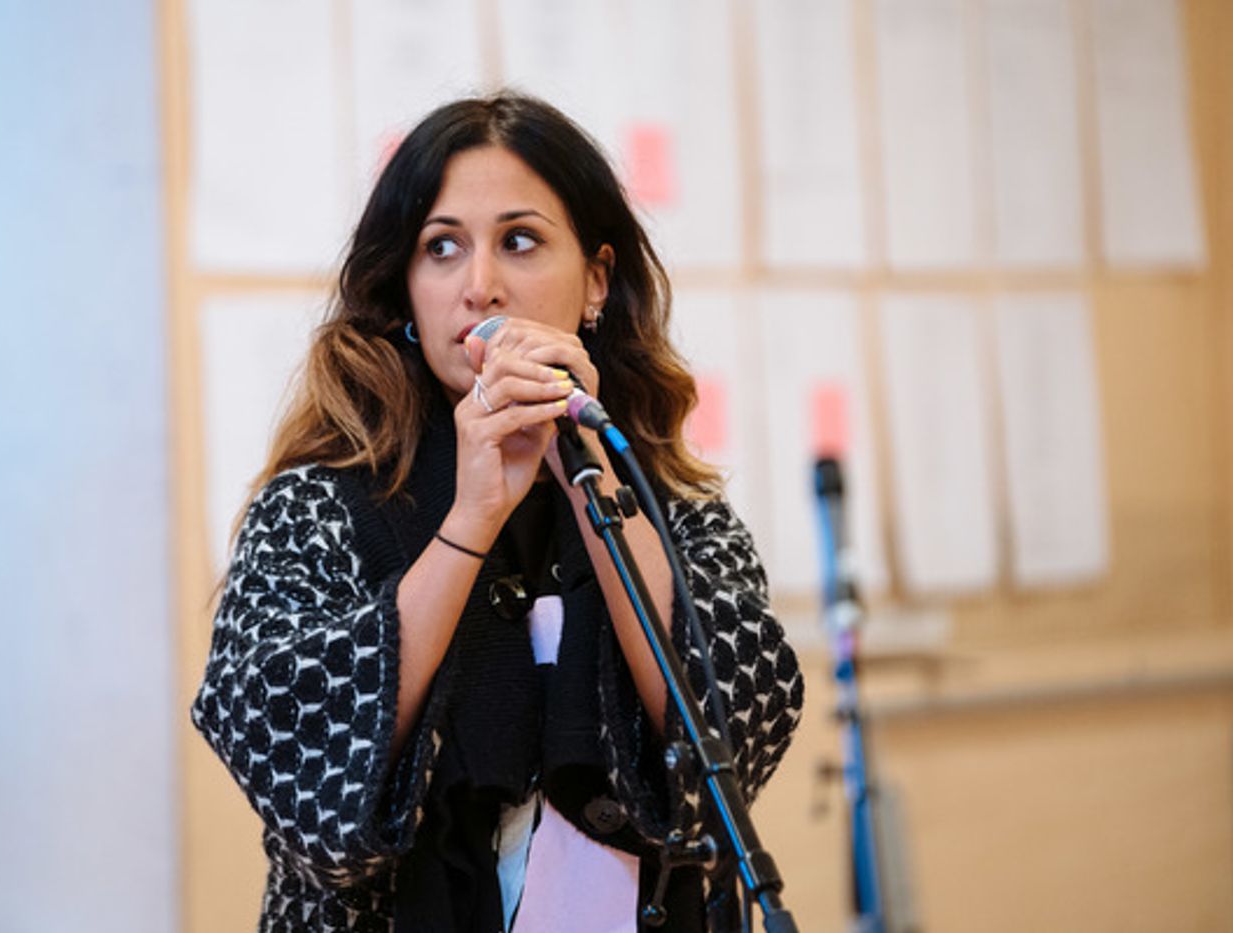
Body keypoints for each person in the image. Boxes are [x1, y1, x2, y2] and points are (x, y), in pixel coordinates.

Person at [192, 92, 803, 933]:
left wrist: (591, 473)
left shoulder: (680, 513)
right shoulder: (312, 504)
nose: (481, 287)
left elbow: (733, 733)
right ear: (405, 289)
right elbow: (300, 773)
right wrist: (471, 518)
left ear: (596, 279)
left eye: (519, 241)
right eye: (442, 249)